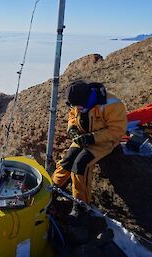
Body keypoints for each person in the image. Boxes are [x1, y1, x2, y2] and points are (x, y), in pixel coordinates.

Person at [51, 80, 127, 216]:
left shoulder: (112, 105)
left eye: (78, 106)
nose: (76, 108)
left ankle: (81, 205)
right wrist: (72, 129)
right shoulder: (78, 101)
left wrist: (91, 138)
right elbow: (72, 116)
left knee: (81, 165)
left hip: (103, 142)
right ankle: (53, 189)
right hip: (82, 137)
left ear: (87, 99)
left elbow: (117, 131)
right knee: (67, 161)